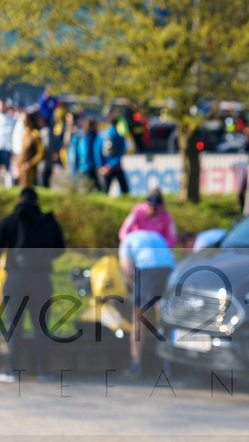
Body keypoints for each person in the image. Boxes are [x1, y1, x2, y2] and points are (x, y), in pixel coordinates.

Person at [0, 187, 66, 383]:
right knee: (42, 325)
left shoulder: (11, 220)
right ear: (37, 202)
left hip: (16, 278)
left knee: (14, 324)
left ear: (19, 199)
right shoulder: (48, 221)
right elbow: (60, 249)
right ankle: (44, 371)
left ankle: (13, 371)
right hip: (41, 279)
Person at [118, 228, 175, 378]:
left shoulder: (127, 239)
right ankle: (168, 365)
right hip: (170, 269)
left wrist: (135, 287)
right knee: (164, 317)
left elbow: (128, 269)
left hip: (148, 270)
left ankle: (135, 366)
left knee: (138, 319)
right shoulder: (157, 235)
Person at [95, 112, 129, 195]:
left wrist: (101, 166)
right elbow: (121, 153)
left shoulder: (101, 135)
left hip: (105, 167)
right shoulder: (119, 136)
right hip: (116, 166)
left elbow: (96, 151)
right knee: (125, 190)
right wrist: (111, 165)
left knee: (105, 190)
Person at [16, 112, 45, 188]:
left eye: (25, 120)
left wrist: (30, 163)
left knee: (28, 189)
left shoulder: (35, 135)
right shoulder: (25, 133)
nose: (24, 122)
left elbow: (41, 153)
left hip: (30, 169)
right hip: (21, 167)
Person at [75, 118, 100, 191]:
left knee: (90, 186)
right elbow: (87, 151)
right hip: (89, 165)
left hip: (85, 165)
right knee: (94, 186)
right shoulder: (91, 136)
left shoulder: (84, 135)